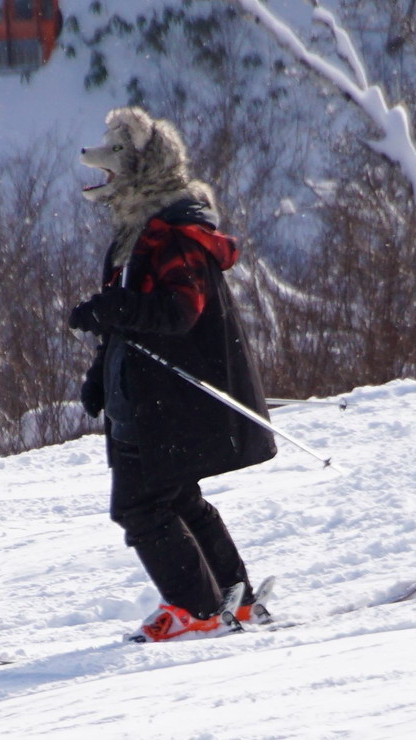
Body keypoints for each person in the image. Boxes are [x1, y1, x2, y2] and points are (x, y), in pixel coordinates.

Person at [68, 106, 278, 642]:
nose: (99, 167)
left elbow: (179, 313)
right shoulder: (139, 235)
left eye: (115, 157)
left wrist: (111, 310)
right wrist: (101, 370)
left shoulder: (173, 237)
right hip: (139, 399)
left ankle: (198, 610)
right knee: (177, 498)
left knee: (140, 507)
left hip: (164, 402)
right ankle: (237, 602)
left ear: (142, 169)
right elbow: (133, 318)